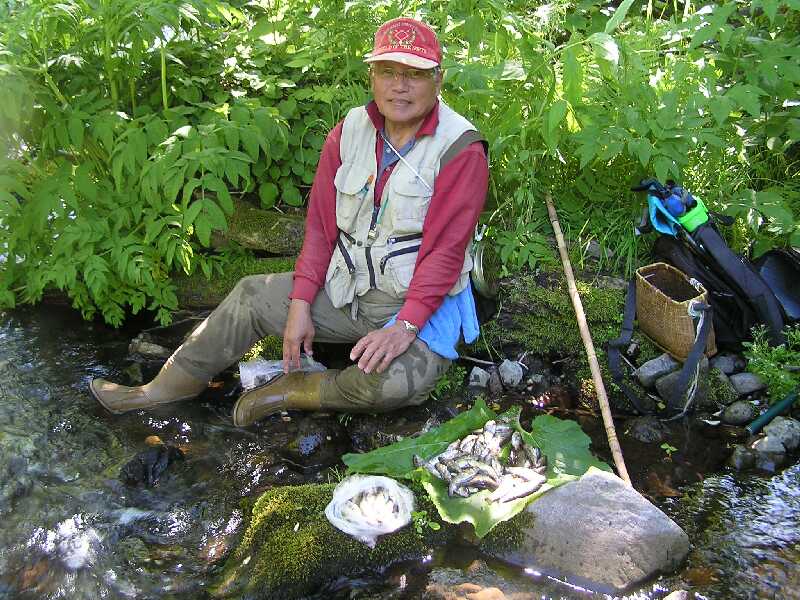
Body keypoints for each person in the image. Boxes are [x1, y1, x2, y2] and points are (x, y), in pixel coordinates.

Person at [90, 17, 489, 426]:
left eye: (413, 74)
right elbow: (320, 228)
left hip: (414, 307)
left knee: (393, 385)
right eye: (388, 71)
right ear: (372, 76)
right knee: (249, 296)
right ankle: (163, 390)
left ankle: (297, 390)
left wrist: (404, 326)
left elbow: (446, 251)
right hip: (346, 292)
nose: (398, 86)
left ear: (437, 81)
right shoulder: (349, 132)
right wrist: (300, 305)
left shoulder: (460, 149)